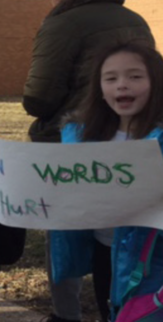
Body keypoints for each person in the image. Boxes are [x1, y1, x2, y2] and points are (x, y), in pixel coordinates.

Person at [21, 1, 154, 321]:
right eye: (112, 79)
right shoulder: (134, 19)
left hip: (73, 146)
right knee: (120, 244)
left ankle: (66, 313)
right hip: (126, 142)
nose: (122, 84)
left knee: (67, 234)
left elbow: (39, 96)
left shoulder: (63, 22)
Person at [57, 42, 163, 321]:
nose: (122, 85)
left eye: (135, 76)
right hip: (106, 251)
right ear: (100, 90)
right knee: (113, 312)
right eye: (111, 78)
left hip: (154, 258)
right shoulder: (81, 138)